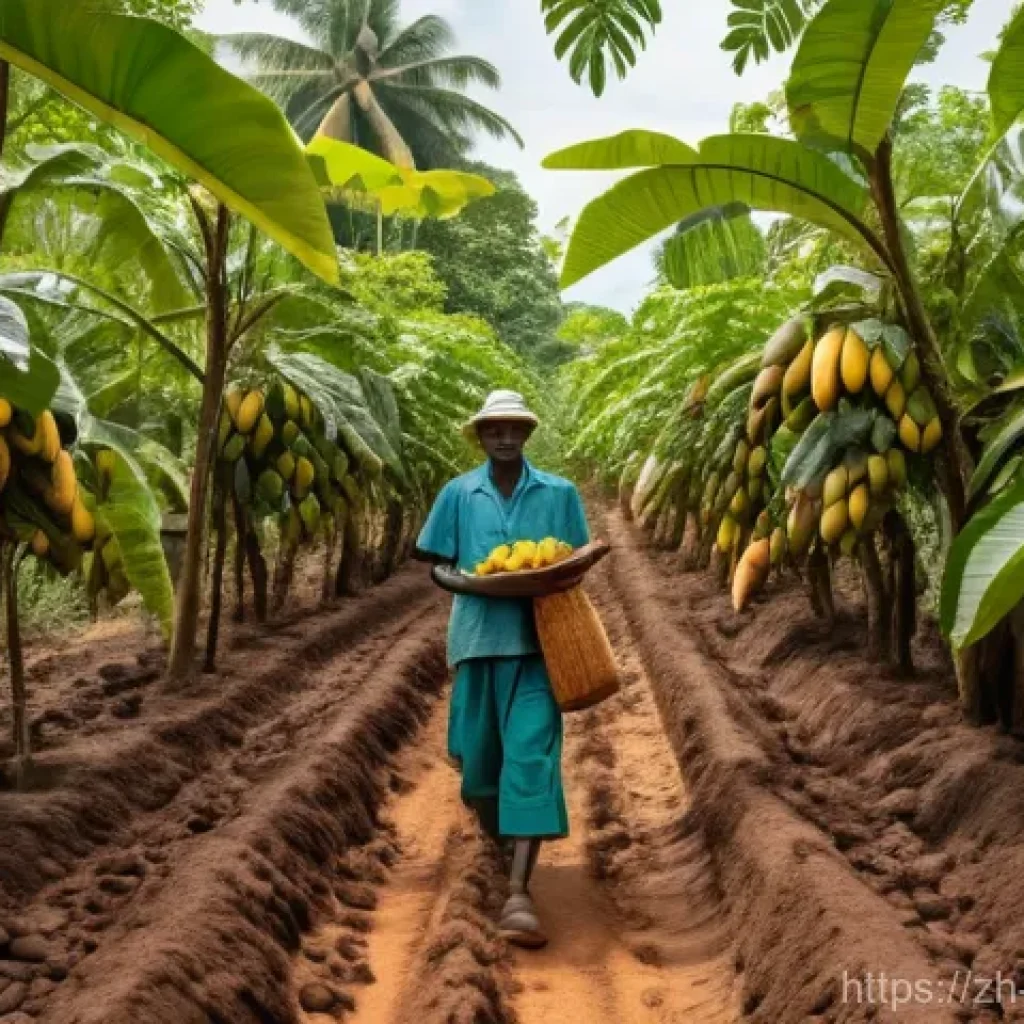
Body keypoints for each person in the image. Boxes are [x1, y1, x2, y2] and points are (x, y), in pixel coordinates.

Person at [414, 390, 590, 949]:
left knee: (530, 759)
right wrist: (467, 582)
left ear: (528, 433)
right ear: (481, 436)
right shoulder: (458, 493)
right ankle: (502, 839)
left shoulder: (559, 493)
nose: (505, 437)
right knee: (479, 767)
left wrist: (548, 577)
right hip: (476, 641)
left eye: (515, 428)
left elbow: (577, 562)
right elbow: (437, 563)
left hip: (540, 644)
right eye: (495, 429)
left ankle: (518, 892)